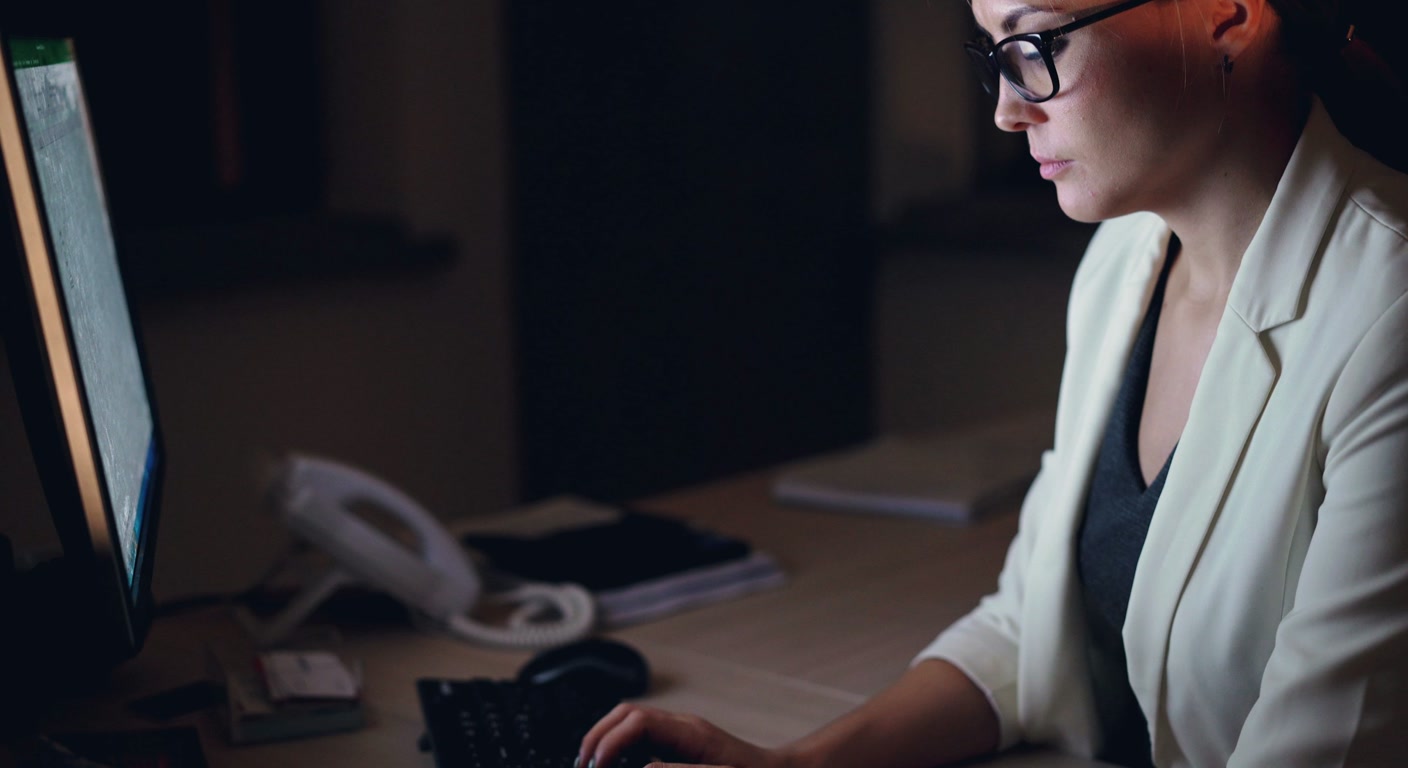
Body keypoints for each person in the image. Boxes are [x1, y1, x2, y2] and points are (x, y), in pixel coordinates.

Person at [576, 0, 1408, 765]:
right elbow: (1032, 631)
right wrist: (796, 763)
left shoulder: (1389, 314)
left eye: (1038, 44)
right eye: (997, 55)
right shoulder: (1126, 258)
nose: (1009, 108)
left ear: (1227, 13)